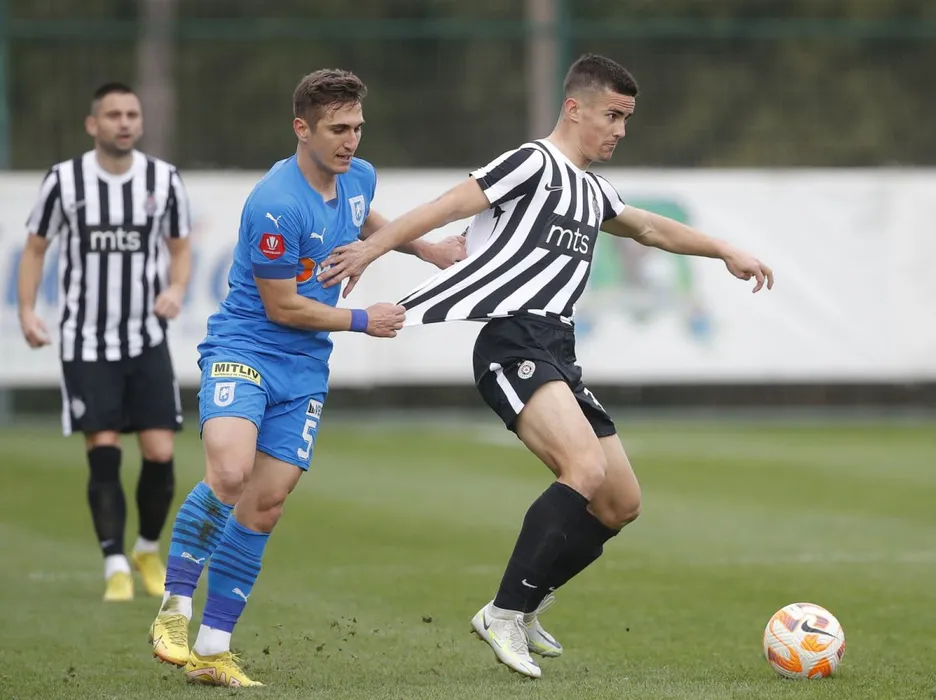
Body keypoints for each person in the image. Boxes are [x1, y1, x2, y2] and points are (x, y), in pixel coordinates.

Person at [318, 53, 774, 679]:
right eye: (612, 116)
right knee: (582, 468)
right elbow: (448, 206)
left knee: (620, 502)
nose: (620, 130)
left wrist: (723, 249)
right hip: (513, 342)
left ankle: (523, 606)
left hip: (557, 349)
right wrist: (373, 248)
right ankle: (505, 613)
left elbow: (648, 229)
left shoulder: (593, 190)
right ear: (574, 108)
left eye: (627, 119)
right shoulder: (532, 162)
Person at [146, 68, 465, 687]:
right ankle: (174, 609)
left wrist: (423, 249)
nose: (351, 141)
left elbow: (363, 215)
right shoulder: (276, 203)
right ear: (302, 128)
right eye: (337, 129)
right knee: (230, 473)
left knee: (266, 504)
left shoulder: (358, 175)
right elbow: (282, 307)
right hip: (246, 347)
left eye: (357, 128)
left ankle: (212, 651)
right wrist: (362, 319)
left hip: (305, 367)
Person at [18, 82, 191, 603]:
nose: (124, 122)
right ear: (93, 124)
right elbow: (35, 247)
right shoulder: (64, 181)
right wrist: (26, 310)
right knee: (105, 449)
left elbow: (180, 247)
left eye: (132, 114)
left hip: (146, 337)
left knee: (160, 451)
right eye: (113, 114)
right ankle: (114, 562)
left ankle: (146, 548)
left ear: (140, 122)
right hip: (86, 341)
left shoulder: (163, 179)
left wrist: (176, 288)